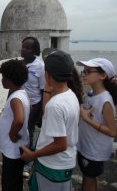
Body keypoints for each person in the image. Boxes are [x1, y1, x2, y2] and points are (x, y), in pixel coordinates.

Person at [20, 50, 80, 191]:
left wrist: (32, 155)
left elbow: (60, 144)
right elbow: (49, 113)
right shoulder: (70, 95)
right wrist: (47, 91)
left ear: (47, 74)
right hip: (64, 162)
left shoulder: (56, 105)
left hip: (52, 165)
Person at [76, 58, 117, 191]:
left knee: (88, 179)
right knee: (89, 178)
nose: (84, 74)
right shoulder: (92, 94)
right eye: (83, 71)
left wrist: (87, 119)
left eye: (88, 71)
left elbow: (112, 131)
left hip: (94, 151)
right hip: (87, 145)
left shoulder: (105, 101)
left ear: (103, 75)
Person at [0, 59, 30, 191]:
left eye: (3, 77)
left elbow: (19, 120)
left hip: (12, 149)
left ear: (10, 79)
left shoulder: (15, 98)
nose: (2, 80)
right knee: (15, 181)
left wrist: (12, 133)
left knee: (9, 182)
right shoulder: (22, 93)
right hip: (17, 147)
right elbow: (30, 109)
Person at [19, 37, 45, 178]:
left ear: (35, 51)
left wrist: (41, 111)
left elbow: (42, 90)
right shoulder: (19, 64)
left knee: (28, 132)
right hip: (19, 104)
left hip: (33, 106)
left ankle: (27, 164)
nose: (23, 49)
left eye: (28, 48)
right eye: (23, 46)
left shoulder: (40, 66)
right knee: (18, 132)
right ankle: (18, 157)